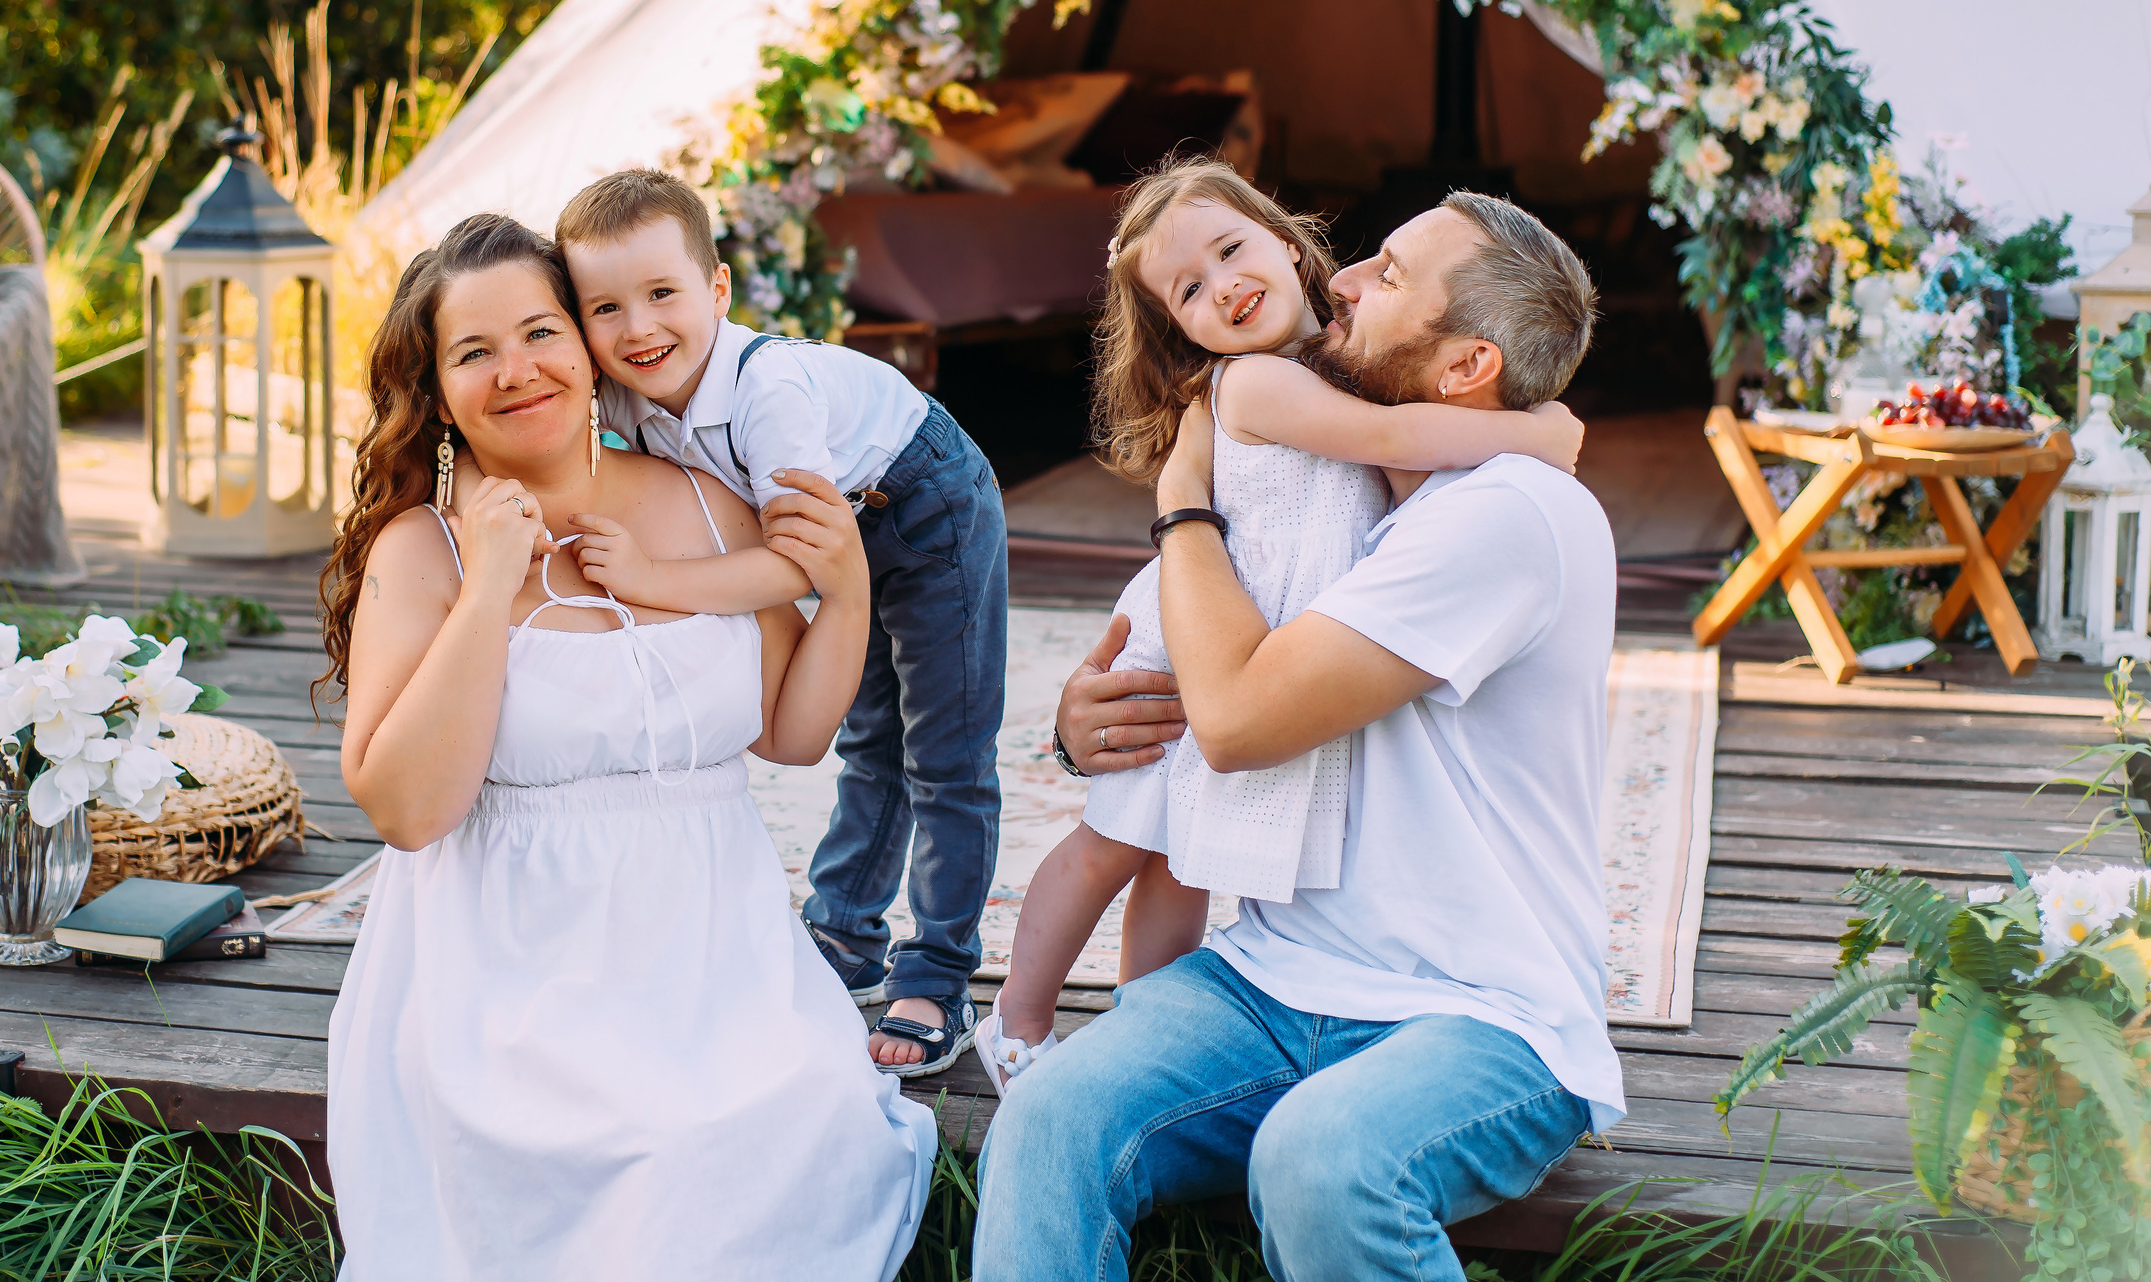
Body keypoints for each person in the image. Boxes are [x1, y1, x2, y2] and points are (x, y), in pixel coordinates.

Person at [974, 192, 1621, 1282]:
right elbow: (1215, 658)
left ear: (1466, 367)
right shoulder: (1352, 491)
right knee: (1046, 1118)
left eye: (1389, 274)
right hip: (1275, 980)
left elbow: (1237, 720)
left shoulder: (1509, 511)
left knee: (1320, 1158)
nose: (1343, 278)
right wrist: (1091, 730)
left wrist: (1183, 499)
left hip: (1481, 1016)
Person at [318, 213, 933, 1281]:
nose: (518, 371)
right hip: (508, 988)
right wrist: (487, 588)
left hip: (716, 962)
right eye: (474, 351)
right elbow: (408, 809)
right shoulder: (421, 549)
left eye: (539, 332)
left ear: (587, 346)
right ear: (440, 393)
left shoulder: (705, 502)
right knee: (659, 1164)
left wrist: (846, 593)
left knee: (783, 1129)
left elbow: (792, 734)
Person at [554, 169, 1008, 1077]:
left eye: (662, 293)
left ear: (718, 289)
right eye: (605, 308)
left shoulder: (767, 392)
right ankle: (846, 933)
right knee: (872, 738)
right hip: (840, 523)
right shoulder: (625, 396)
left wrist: (652, 577)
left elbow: (802, 565)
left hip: (927, 501)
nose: (637, 327)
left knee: (947, 745)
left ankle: (940, 971)